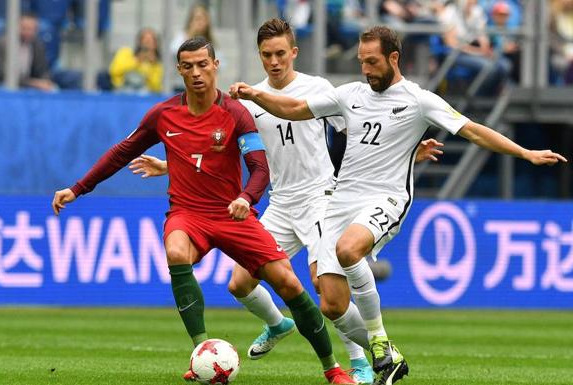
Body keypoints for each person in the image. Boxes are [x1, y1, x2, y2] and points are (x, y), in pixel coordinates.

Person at [230, 26, 567, 385]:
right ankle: (389, 359)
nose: (367, 69)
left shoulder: (419, 100)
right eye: (362, 62)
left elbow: (472, 130)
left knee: (349, 249)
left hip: (385, 198)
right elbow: (296, 109)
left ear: (393, 58)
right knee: (331, 304)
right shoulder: (350, 94)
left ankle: (377, 340)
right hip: (341, 200)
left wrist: (524, 152)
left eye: (373, 62)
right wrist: (256, 95)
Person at [129, 18, 444, 385]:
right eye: (267, 55)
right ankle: (278, 323)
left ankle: (361, 361)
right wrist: (170, 165)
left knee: (325, 289)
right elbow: (219, 150)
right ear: (259, 56)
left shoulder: (318, 88)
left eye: (281, 53)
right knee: (239, 283)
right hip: (280, 202)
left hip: (321, 198)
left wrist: (405, 150)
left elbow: (360, 132)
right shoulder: (252, 101)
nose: (274, 61)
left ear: (293, 52)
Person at [52, 36, 357, 385]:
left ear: (215, 66)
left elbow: (259, 168)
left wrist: (246, 198)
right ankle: (202, 353)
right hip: (187, 214)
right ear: (179, 70)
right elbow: (122, 152)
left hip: (231, 214)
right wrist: (77, 188)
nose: (196, 72)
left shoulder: (235, 113)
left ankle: (333, 369)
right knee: (175, 251)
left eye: (202, 64)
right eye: (188, 66)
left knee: (288, 283)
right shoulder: (163, 114)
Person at [0, 13, 56, 91]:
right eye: (24, 28)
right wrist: (34, 83)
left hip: (31, 85)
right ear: (16, 27)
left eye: (32, 29)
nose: (28, 32)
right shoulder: (3, 44)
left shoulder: (37, 44)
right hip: (6, 84)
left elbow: (43, 70)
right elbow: (4, 75)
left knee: (52, 89)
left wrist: (45, 81)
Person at [109, 27, 164, 93]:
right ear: (139, 42)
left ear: (155, 45)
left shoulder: (157, 65)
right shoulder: (125, 52)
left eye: (150, 41)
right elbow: (114, 71)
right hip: (122, 90)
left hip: (145, 94)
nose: (147, 44)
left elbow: (156, 88)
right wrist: (136, 61)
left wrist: (152, 65)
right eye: (145, 40)